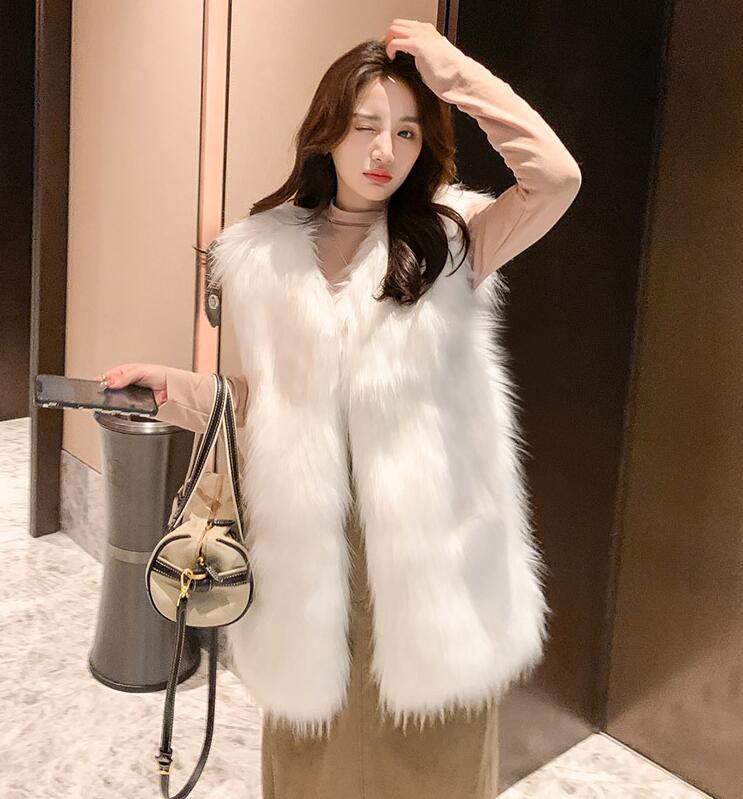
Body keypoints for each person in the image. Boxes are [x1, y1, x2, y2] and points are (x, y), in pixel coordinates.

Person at [99, 20, 581, 799]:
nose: (384, 150)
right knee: (314, 765)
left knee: (434, 764)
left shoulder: (451, 242)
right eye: (364, 126)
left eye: (406, 131)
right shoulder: (265, 256)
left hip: (431, 561)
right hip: (311, 554)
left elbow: (554, 178)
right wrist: (176, 389)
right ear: (327, 131)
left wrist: (455, 75)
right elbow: (273, 403)